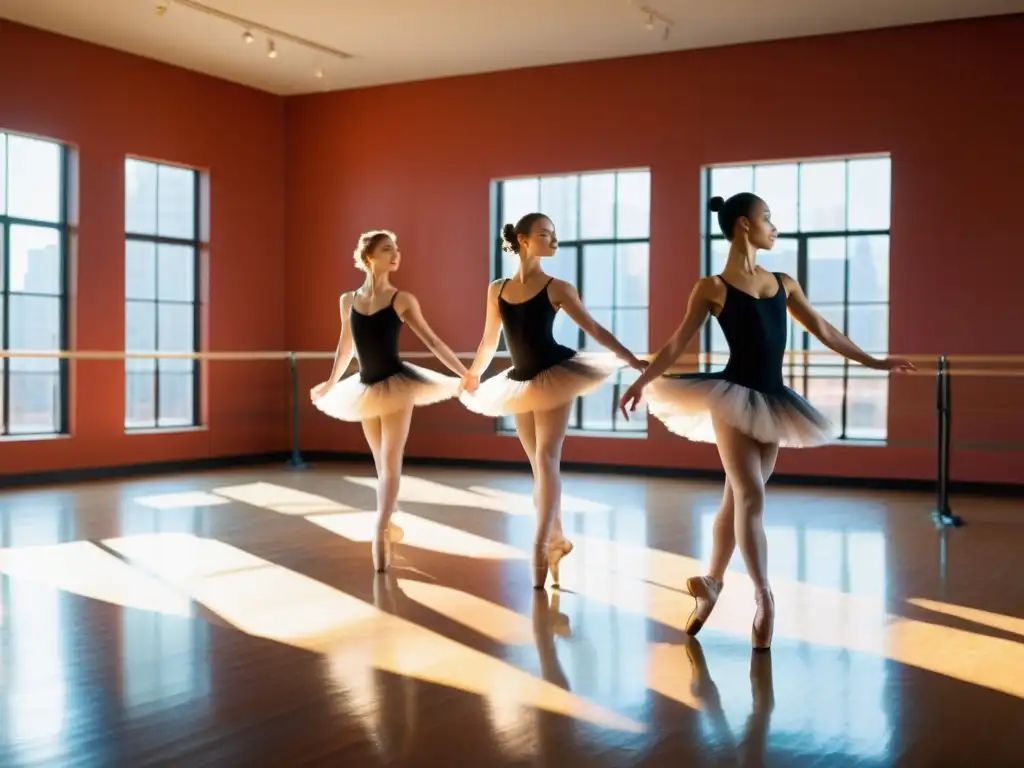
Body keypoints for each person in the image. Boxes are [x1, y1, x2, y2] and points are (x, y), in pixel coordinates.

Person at [618, 193, 914, 649]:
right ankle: (764, 597)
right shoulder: (712, 287)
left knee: (736, 501)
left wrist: (876, 363)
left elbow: (825, 330)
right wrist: (642, 383)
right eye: (767, 219)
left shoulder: (784, 283)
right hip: (732, 396)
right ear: (742, 225)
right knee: (750, 493)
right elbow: (677, 344)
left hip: (775, 401)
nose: (774, 227)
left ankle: (710, 582)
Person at [461, 212, 647, 590]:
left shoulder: (558, 287)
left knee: (546, 459)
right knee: (539, 468)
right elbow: (488, 341)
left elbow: (593, 328)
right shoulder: (497, 289)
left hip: (556, 374)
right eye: (545, 234)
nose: (553, 240)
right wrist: (473, 373)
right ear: (524, 239)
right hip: (520, 380)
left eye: (555, 235)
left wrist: (630, 359)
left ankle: (540, 544)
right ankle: (558, 538)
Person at [311, 229, 477, 572]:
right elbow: (345, 349)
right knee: (382, 464)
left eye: (396, 248)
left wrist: (464, 372)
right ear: (369, 257)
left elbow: (432, 341)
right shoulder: (348, 300)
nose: (396, 254)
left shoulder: (402, 299)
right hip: (365, 387)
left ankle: (379, 529)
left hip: (397, 384)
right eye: (388, 249)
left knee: (390, 459)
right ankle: (390, 522)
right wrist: (330, 384)